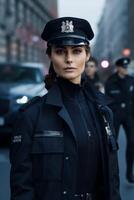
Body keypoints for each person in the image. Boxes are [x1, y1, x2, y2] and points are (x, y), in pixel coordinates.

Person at [10, 17, 121, 200]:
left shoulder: (103, 112)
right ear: (50, 56)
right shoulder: (31, 116)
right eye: (60, 51)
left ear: (86, 55)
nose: (69, 59)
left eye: (76, 51)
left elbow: (112, 181)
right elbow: (22, 188)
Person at [105, 57, 134, 183]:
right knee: (112, 146)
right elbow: (107, 101)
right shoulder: (111, 81)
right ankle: (111, 173)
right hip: (115, 116)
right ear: (118, 68)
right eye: (123, 67)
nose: (125, 69)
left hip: (129, 116)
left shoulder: (132, 80)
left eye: (126, 67)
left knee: (132, 144)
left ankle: (129, 173)